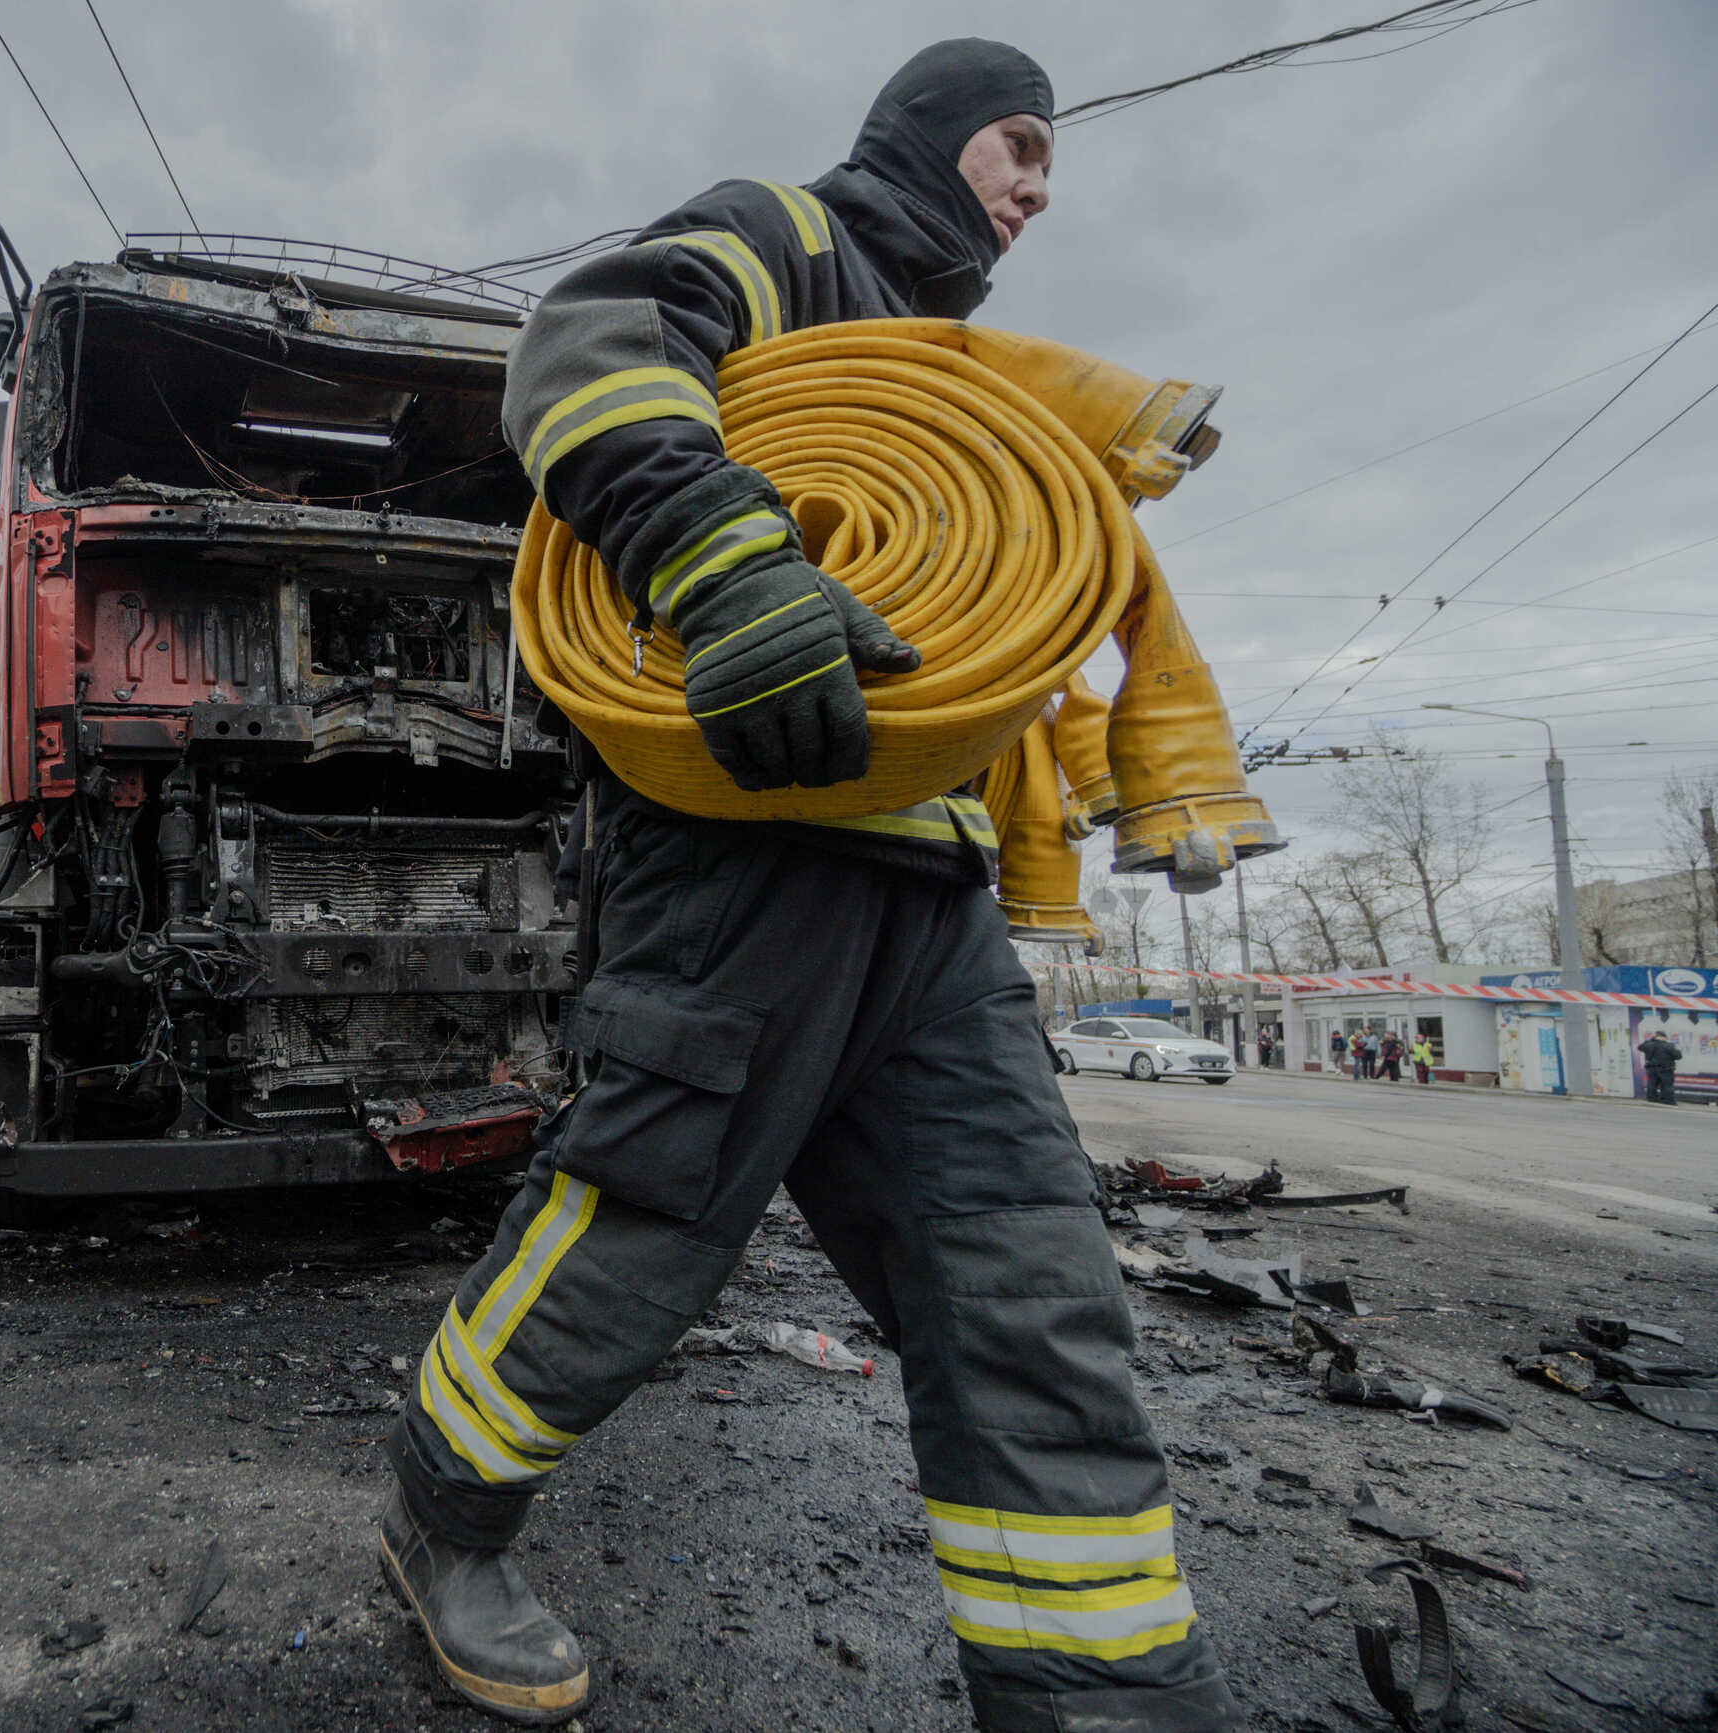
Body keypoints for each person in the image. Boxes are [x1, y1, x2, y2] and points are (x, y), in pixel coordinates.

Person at [375, 41, 1240, 1732]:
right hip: (741, 852)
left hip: (936, 896)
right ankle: (440, 1514)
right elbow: (588, 340)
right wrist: (721, 553)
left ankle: (1102, 1693)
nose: (1040, 185)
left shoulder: (966, 376)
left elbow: (1038, 582)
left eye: (1052, 160)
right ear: (927, 135)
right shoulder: (786, 239)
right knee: (634, 1242)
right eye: (1017, 143)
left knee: (1028, 1284)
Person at [1639, 1029, 1681, 1105]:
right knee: (1667, 1085)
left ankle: (1652, 1098)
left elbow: (1640, 1047)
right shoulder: (1669, 1045)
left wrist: (1651, 1040)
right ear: (1664, 1037)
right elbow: (1678, 1056)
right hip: (1666, 1069)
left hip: (1652, 1068)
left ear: (1656, 1037)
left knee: (1652, 1084)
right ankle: (1668, 1100)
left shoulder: (1649, 1044)